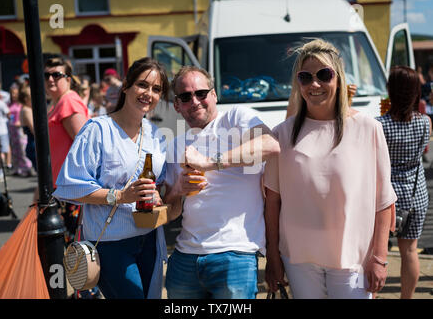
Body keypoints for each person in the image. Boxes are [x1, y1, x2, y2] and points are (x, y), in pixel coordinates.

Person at [264, 39, 396, 299]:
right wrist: (273, 257)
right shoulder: (282, 135)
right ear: (297, 83)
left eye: (324, 75)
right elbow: (272, 201)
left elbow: (383, 202)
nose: (315, 84)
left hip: (353, 258)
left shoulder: (369, 129)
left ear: (339, 78)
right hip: (299, 258)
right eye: (305, 77)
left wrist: (379, 258)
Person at [53, 57, 170, 299]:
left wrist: (160, 193)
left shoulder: (155, 133)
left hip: (150, 238)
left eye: (156, 89)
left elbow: (163, 182)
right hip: (111, 243)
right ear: (126, 85)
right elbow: (69, 186)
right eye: (142, 85)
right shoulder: (98, 130)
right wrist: (119, 196)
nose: (149, 94)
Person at [163, 66, 280, 299]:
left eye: (201, 93)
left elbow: (270, 145)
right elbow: (172, 212)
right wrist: (177, 190)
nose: (195, 101)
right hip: (185, 256)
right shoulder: (176, 144)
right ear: (177, 105)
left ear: (214, 95)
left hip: (235, 254)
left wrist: (209, 163)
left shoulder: (235, 118)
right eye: (186, 97)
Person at [376, 66, 431, 299]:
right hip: (416, 193)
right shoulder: (425, 122)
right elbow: (424, 152)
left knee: (376, 252)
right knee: (409, 251)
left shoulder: (379, 124)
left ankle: (371, 295)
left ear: (390, 90)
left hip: (385, 197)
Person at [44, 57, 90, 242]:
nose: (50, 79)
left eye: (56, 74)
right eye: (46, 75)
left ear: (68, 79)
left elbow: (86, 146)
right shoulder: (59, 103)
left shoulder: (68, 102)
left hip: (70, 191)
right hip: (61, 188)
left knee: (69, 251)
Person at [8, 84, 32, 177]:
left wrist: (19, 122)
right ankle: (17, 168)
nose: (13, 95)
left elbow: (23, 117)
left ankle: (27, 167)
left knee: (22, 149)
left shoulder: (21, 105)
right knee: (15, 150)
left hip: (20, 130)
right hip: (12, 129)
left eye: (15, 93)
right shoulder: (10, 104)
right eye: (12, 93)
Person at [19, 86, 36, 173]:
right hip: (33, 144)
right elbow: (34, 129)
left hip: (32, 143)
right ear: (26, 99)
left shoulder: (27, 109)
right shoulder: (26, 110)